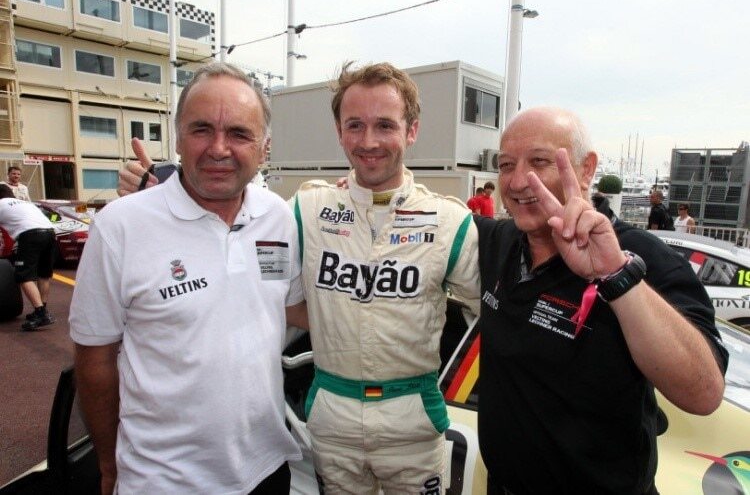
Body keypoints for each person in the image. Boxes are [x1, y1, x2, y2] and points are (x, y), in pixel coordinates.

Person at [118, 61, 480, 494]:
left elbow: (498, 316)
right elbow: (232, 211)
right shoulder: (305, 209)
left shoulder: (450, 221)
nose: (369, 142)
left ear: (412, 130)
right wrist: (159, 190)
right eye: (355, 125)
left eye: (385, 125)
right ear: (339, 130)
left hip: (414, 421)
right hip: (332, 419)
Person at [70, 63, 308, 495]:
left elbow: (287, 306)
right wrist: (108, 463)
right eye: (201, 129)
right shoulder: (121, 226)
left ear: (264, 147)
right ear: (177, 137)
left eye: (239, 133)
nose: (219, 148)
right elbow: (95, 361)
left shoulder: (277, 215)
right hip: (164, 481)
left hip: (267, 469)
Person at [475, 107, 728, 494]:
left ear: (586, 169)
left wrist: (616, 276)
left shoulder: (643, 257)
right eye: (506, 164)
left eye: (539, 161)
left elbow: (703, 392)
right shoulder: (498, 243)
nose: (518, 180)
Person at [0, 183, 55, 330]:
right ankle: (42, 309)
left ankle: (40, 313)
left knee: (24, 276)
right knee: (43, 274)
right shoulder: (24, 203)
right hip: (50, 232)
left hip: (30, 235)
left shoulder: (0, 205)